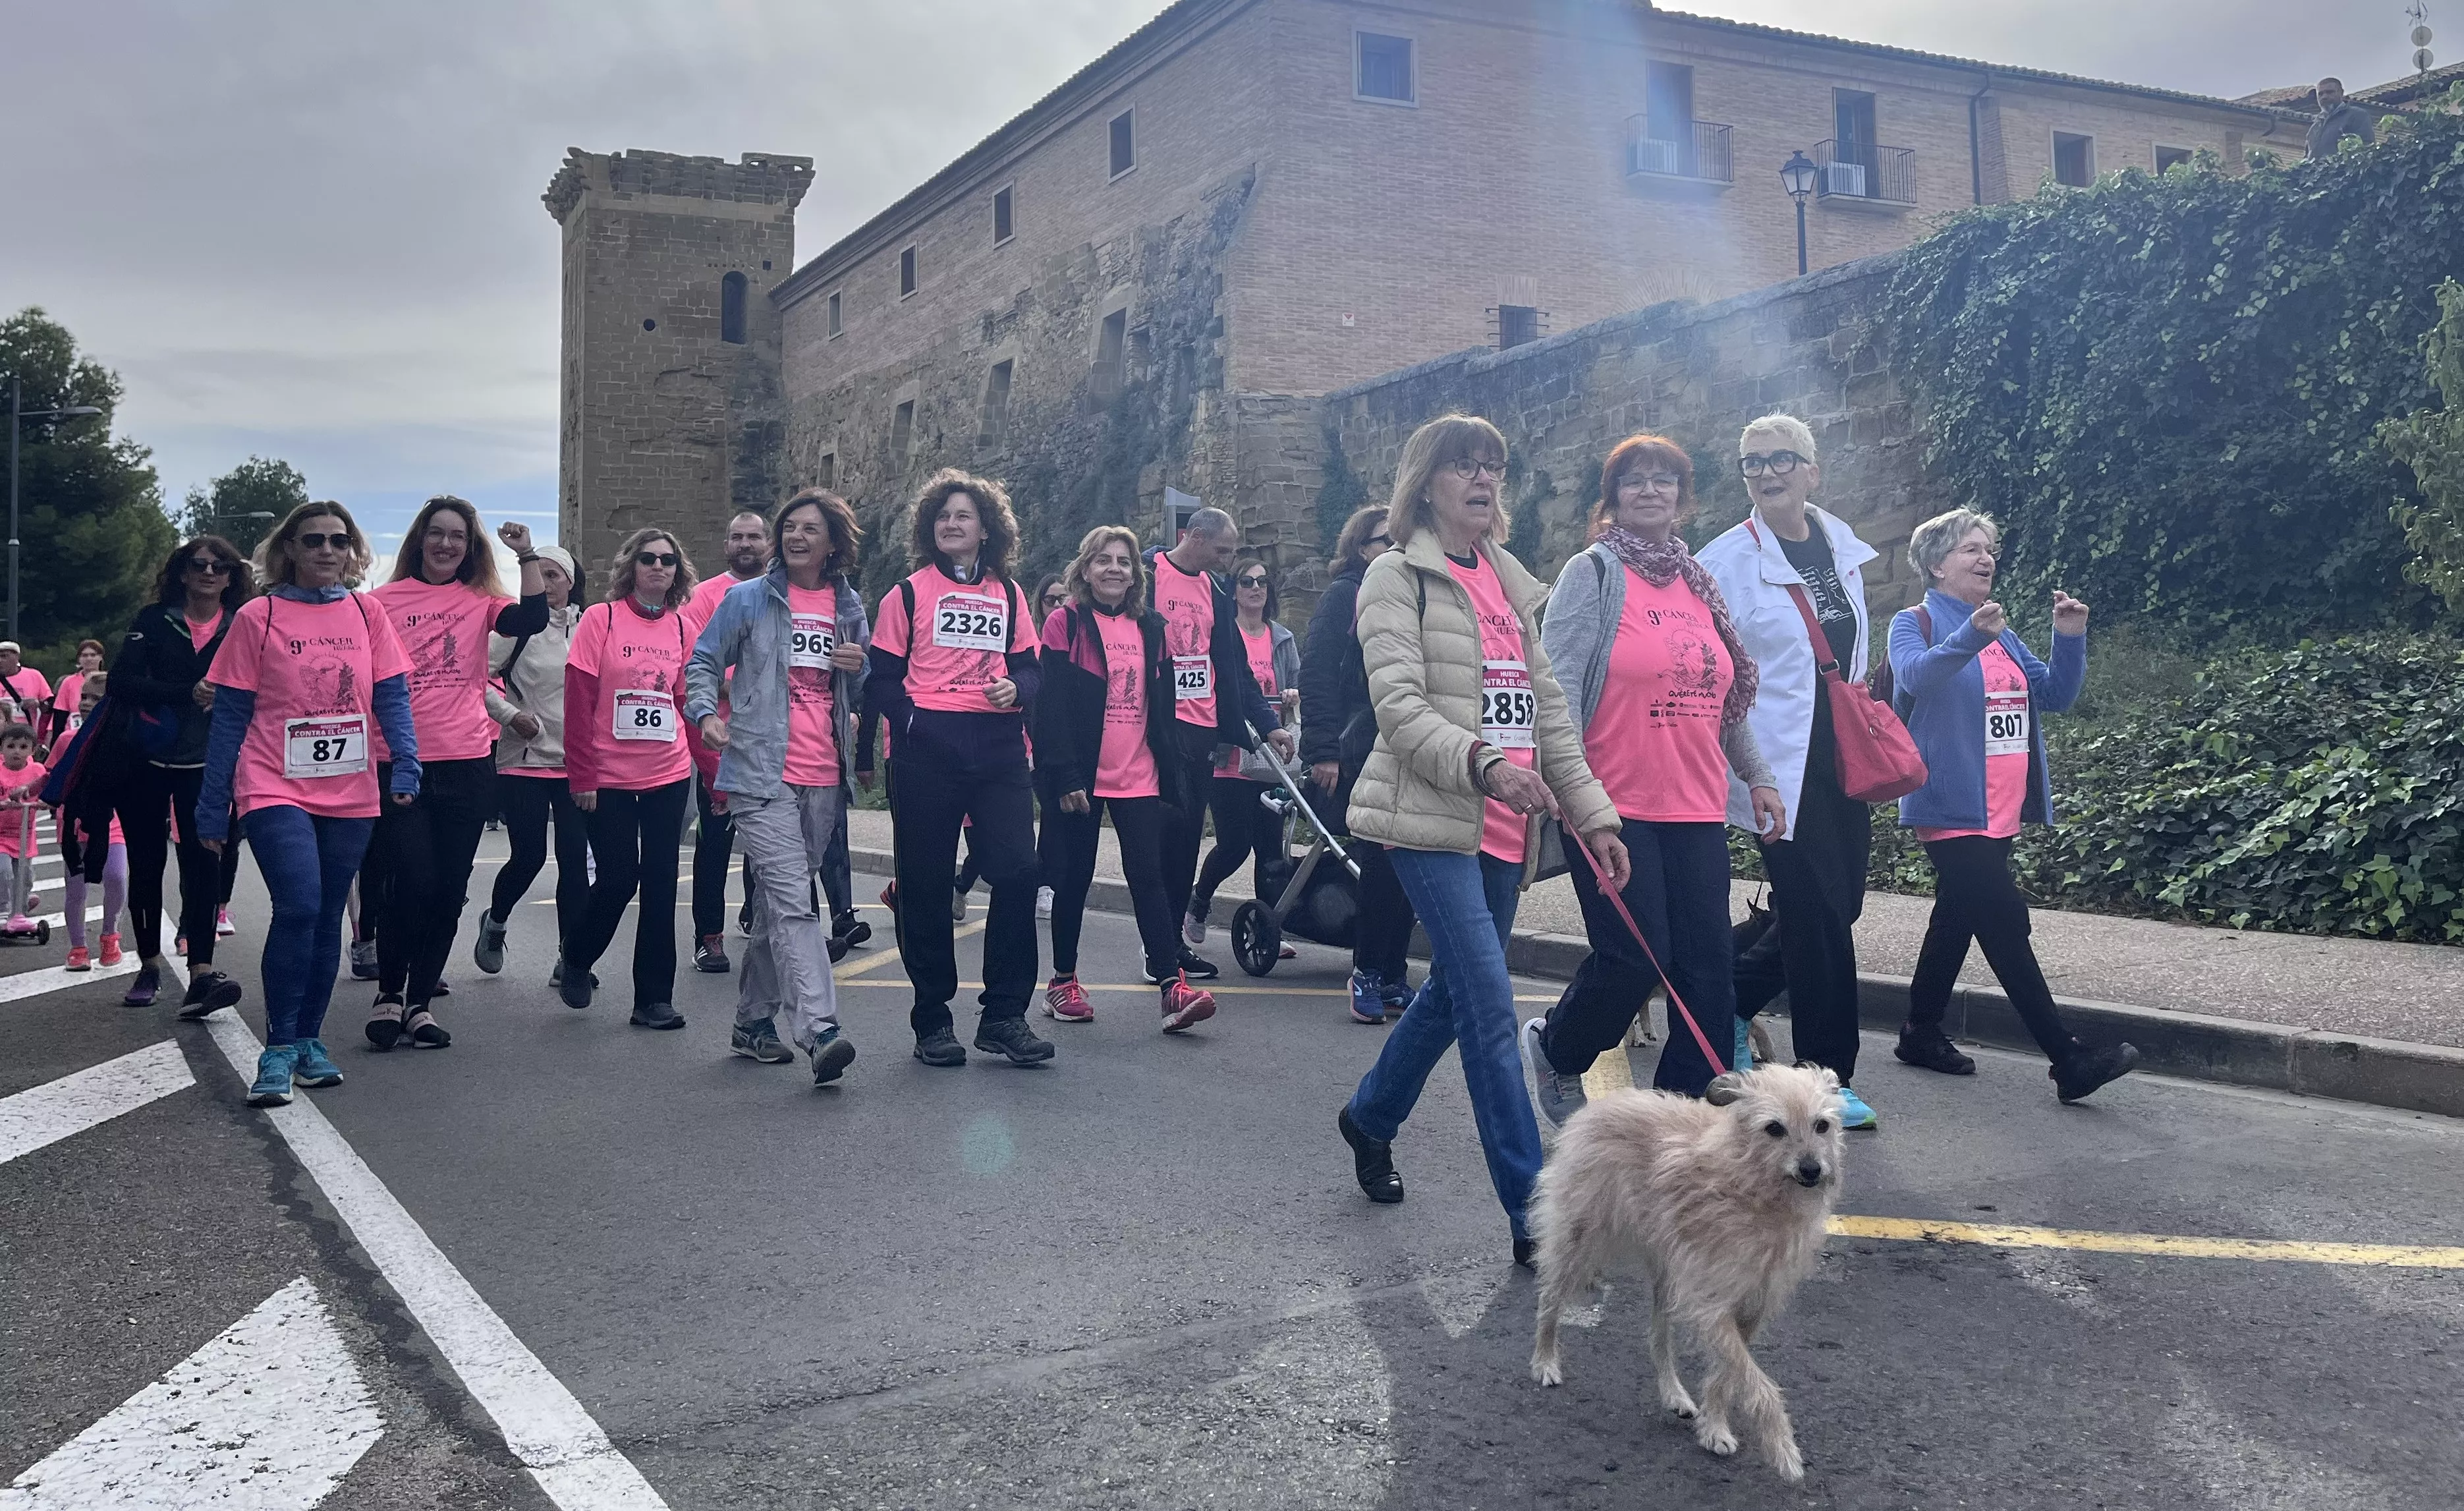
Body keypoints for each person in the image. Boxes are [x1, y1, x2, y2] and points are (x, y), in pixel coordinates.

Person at [1335, 414, 1629, 1268]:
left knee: (1452, 997)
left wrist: (1593, 814)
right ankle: (1536, 1216)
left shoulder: (1509, 583)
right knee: (1492, 1007)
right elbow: (1399, 706)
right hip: (1433, 821)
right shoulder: (1396, 579)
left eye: (1494, 465)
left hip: (1508, 832)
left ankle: (1371, 1115)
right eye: (1464, 465)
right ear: (1427, 481)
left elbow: (1550, 716)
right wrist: (1484, 762)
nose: (1482, 479)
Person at [1519, 435, 1783, 1131]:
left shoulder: (1698, 581)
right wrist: (1580, 802)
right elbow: (1559, 694)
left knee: (1706, 975)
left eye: (1664, 479)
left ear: (1683, 497)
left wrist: (1757, 777)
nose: (1649, 490)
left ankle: (1675, 1125)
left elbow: (1722, 697)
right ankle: (1557, 1046)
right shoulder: (1594, 573)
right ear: (1610, 498)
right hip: (1613, 804)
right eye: (1632, 480)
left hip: (1693, 806)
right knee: (1636, 958)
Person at [1888, 509, 2138, 1102]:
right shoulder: (1913, 621)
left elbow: (2052, 693)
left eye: (1990, 548)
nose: (1985, 558)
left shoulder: (2003, 630)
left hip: (2000, 805)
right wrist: (1972, 634)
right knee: (2004, 921)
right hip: (1949, 803)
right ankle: (2068, 1058)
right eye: (1971, 548)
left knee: (1956, 918)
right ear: (1936, 563)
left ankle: (1919, 1030)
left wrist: (2069, 635)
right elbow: (1917, 677)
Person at [196, 501, 418, 1107]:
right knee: (298, 904)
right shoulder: (257, 615)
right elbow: (231, 716)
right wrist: (214, 804)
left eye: (338, 541)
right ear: (289, 549)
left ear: (352, 551)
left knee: (325, 915)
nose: (327, 551)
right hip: (274, 783)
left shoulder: (368, 613)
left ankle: (308, 1042)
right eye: (314, 540)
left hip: (350, 788)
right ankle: (276, 1048)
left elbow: (392, 697)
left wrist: (407, 761)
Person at [1698, 414, 1883, 1130]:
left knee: (1842, 907)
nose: (1767, 473)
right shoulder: (1723, 562)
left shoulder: (1838, 544)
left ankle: (1730, 1003)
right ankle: (1825, 1080)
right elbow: (1713, 671)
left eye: (1781, 459)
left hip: (1839, 756)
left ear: (1812, 469)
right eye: (1752, 464)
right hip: (1775, 764)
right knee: (1816, 917)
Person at [858, 469, 1051, 1068]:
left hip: (996, 745)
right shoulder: (908, 593)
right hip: (927, 748)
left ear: (986, 528)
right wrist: (913, 724)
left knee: (1019, 872)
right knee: (926, 886)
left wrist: (1014, 688)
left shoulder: (1013, 595)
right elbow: (881, 681)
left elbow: (1033, 670)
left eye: (963, 516)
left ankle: (1004, 1015)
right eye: (943, 517)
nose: (951, 524)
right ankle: (933, 1019)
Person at [687, 489, 868, 1086]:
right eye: (788, 527)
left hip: (824, 775)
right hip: (761, 771)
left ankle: (750, 1022)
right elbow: (703, 662)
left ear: (833, 542)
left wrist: (856, 665)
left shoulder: (848, 606)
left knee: (775, 905)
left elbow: (861, 681)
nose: (795, 537)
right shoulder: (748, 599)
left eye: (809, 529)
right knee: (796, 901)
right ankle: (820, 1029)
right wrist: (707, 714)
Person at [356, 496, 549, 1051]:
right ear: (419, 539)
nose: (446, 545)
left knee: (449, 887)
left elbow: (532, 618)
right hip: (401, 761)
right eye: (437, 534)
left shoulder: (480, 599)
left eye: (458, 537)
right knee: (411, 879)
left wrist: (527, 554)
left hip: (467, 761)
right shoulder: (382, 602)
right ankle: (388, 991)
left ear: (470, 548)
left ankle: (418, 1003)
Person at [1033, 525, 1216, 1028]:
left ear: (1137, 573)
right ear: (1085, 569)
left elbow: (1164, 709)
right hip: (1083, 776)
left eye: (1124, 561)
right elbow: (1049, 712)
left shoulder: (1152, 628)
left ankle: (1170, 986)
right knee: (1074, 878)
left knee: (1149, 879)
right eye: (1103, 560)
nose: (1115, 569)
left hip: (1139, 772)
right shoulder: (1065, 624)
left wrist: (1173, 766)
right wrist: (1066, 774)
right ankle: (1063, 982)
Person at [80, 534, 250, 1011]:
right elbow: (121, 682)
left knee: (205, 865)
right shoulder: (154, 621)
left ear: (233, 577)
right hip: (145, 760)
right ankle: (150, 964)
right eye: (200, 564)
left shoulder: (242, 624)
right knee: (148, 863)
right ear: (182, 571)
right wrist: (188, 691)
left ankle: (201, 972)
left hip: (210, 763)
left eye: (222, 567)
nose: (210, 572)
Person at [558, 528, 698, 1029]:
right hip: (608, 777)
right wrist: (583, 776)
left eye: (667, 559)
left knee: (662, 883)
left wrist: (715, 778)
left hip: (668, 773)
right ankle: (576, 955)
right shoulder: (603, 618)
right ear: (631, 567)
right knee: (618, 877)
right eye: (648, 558)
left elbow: (688, 705)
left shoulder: (683, 629)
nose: (658, 566)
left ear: (677, 572)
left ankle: (653, 999)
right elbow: (578, 702)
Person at [1146, 507, 1293, 980]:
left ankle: (1169, 947)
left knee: (1186, 844)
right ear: (1195, 538)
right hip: (1157, 726)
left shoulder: (1215, 590)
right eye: (1223, 551)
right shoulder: (1150, 575)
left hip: (1202, 730)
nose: (1229, 561)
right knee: (1159, 843)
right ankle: (1159, 952)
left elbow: (1235, 671)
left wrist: (1268, 724)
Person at [1301, 505, 1419, 1025]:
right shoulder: (1345, 594)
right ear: (1360, 546)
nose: (1394, 548)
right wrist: (1322, 749)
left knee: (1407, 864)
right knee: (1379, 862)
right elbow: (1319, 671)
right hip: (1357, 748)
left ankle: (1393, 972)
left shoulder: (1407, 591)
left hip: (1404, 743)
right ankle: (1369, 971)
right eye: (1383, 540)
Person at [472, 544, 586, 981]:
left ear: (571, 582)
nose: (545, 584)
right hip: (525, 757)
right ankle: (496, 921)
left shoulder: (589, 628)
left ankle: (571, 959)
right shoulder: (516, 629)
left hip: (575, 761)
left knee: (575, 858)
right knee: (530, 856)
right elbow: (474, 678)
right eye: (538, 575)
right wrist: (510, 716)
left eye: (553, 575)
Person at [1185, 558, 1299, 950]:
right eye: (1247, 581)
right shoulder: (1222, 635)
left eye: (1263, 581)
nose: (1256, 588)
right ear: (1233, 590)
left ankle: (1268, 929)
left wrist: (1292, 697)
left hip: (1269, 761)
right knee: (1235, 844)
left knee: (1270, 849)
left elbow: (1299, 687)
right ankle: (1200, 899)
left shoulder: (1282, 639)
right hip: (1229, 758)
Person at [682, 509, 772, 973]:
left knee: (770, 845)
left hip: (776, 741)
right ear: (726, 545)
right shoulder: (704, 597)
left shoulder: (783, 592)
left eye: (754, 536)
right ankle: (708, 936)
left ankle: (763, 926)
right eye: (737, 536)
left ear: (768, 543)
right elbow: (695, 664)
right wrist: (747, 685)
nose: (745, 544)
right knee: (715, 843)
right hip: (721, 740)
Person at [59, 675, 128, 971]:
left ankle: (110, 934)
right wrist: (31, 789)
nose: (86, 704)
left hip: (112, 824)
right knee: (76, 889)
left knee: (116, 878)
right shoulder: (66, 740)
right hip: (73, 825)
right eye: (83, 697)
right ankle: (77, 947)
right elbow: (55, 776)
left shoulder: (123, 738)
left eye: (95, 699)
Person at [0, 725, 47, 925]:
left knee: (24, 876)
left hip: (24, 836)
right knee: (3, 871)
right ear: (2, 749)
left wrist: (44, 803)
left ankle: (20, 907)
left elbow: (45, 792)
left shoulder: (37, 771)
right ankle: (3, 909)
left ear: (32, 751)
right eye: (11, 746)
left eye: (23, 747)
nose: (17, 751)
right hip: (1, 834)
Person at [2306, 78, 2377, 159]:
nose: (2324, 97)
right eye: (2320, 94)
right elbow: (2307, 158)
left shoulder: (2357, 115)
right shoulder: (2314, 127)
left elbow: (2367, 147)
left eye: (2330, 92)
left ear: (2341, 93)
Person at [50, 640, 105, 745]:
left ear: (100, 657)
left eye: (93, 655)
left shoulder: (107, 681)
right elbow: (59, 718)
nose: (89, 659)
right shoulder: (68, 682)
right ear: (79, 659)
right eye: (85, 655)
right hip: (71, 737)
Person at [0, 642, 53, 742]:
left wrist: (38, 703)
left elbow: (50, 706)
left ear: (17, 657)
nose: (0, 661)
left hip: (27, 737)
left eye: (4, 656)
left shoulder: (34, 676)